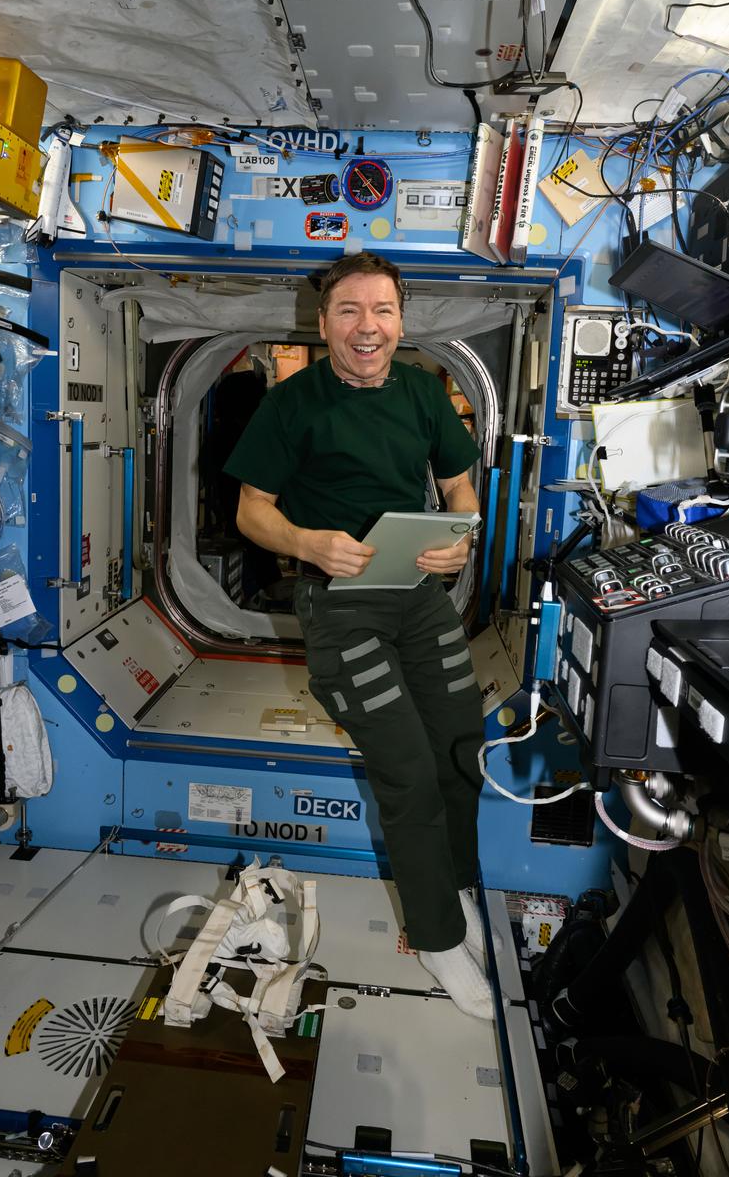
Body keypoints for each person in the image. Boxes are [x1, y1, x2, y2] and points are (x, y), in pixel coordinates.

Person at [224, 252, 495, 1020]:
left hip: (416, 593)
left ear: (401, 320)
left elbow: (458, 487)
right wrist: (308, 544)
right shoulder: (293, 404)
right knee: (408, 771)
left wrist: (460, 539)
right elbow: (252, 511)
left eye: (382, 310)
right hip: (338, 604)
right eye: (350, 311)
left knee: (458, 748)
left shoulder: (420, 390)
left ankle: (459, 885)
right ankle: (438, 938)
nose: (367, 327)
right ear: (324, 322)